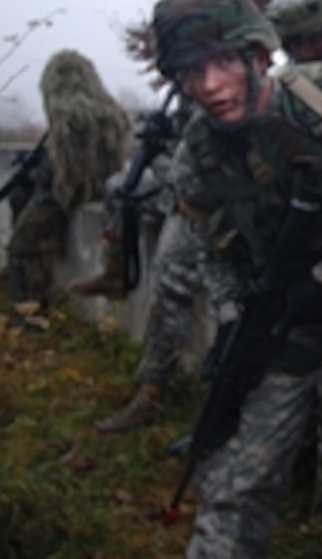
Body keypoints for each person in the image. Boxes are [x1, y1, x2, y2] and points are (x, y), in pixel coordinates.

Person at [152, 0, 322, 558]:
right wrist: (235, 314)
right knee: (236, 483)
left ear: (258, 55)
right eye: (192, 72)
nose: (210, 87)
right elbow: (212, 249)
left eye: (222, 62)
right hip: (281, 324)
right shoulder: (197, 157)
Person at [71, 91, 202, 433]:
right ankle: (114, 272)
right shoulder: (190, 85)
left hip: (210, 200)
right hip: (183, 184)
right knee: (119, 187)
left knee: (170, 274)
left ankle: (153, 390)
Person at [7, 49, 131, 314]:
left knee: (24, 243)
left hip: (77, 192)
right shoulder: (107, 111)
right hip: (96, 187)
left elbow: (71, 174)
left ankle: (29, 313)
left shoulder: (71, 115)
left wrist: (43, 177)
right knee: (18, 195)